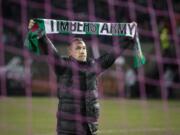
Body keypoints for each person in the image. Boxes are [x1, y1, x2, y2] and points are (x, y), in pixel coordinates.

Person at [28, 20, 134, 135]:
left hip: (89, 128)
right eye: (78, 48)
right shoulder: (63, 65)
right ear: (70, 52)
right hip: (68, 129)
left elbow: (111, 56)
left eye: (84, 48)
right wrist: (40, 33)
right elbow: (50, 51)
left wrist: (129, 37)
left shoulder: (93, 66)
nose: (82, 51)